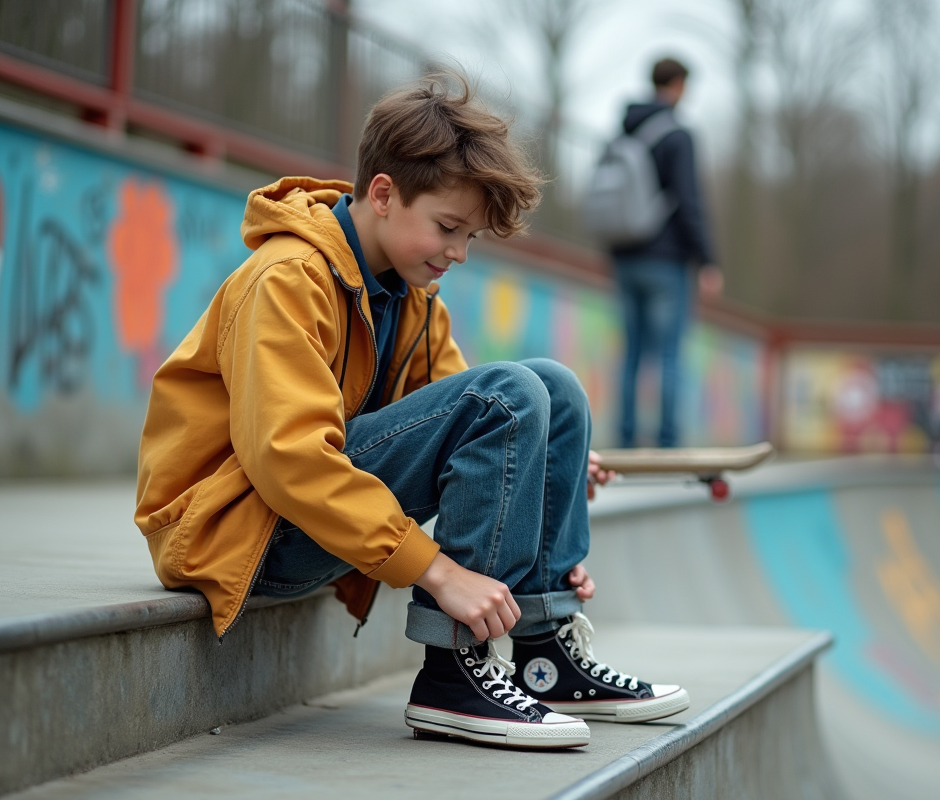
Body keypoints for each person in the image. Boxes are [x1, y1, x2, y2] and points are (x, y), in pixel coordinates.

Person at [134, 72, 689, 752]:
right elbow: (288, 458)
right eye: (448, 228)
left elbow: (477, 429)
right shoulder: (287, 279)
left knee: (553, 391)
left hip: (305, 516)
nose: (458, 253)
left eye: (470, 237)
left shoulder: (411, 294)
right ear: (383, 194)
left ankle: (544, 650)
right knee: (511, 395)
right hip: (237, 528)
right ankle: (452, 674)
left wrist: (549, 471)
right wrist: (437, 571)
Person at [612, 57, 723, 449]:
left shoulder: (625, 131)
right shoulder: (678, 135)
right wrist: (707, 260)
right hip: (667, 262)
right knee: (670, 355)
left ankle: (626, 439)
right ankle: (667, 442)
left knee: (632, 354)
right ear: (678, 85)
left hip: (625, 257)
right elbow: (689, 202)